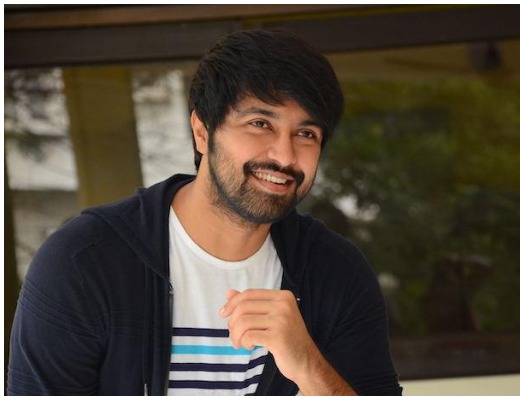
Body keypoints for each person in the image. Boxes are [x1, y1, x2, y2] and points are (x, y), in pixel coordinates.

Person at [8, 29, 402, 396]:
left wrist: (309, 367)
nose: (284, 156)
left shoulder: (336, 272)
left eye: (306, 134)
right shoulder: (84, 262)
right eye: (260, 123)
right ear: (202, 131)